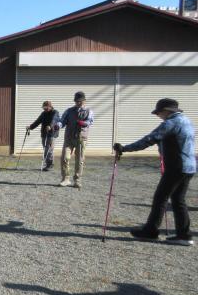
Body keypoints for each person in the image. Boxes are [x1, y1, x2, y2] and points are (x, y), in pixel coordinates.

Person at [114, 98, 195, 245]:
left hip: (176, 167)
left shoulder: (170, 123)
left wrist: (124, 148)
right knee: (178, 200)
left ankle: (150, 231)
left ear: (166, 111)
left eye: (159, 112)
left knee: (160, 198)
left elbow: (149, 139)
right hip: (189, 166)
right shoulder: (186, 121)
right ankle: (184, 235)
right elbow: (169, 141)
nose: (158, 115)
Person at [56, 91, 94, 188]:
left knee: (80, 159)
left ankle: (77, 180)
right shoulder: (69, 111)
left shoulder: (89, 111)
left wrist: (83, 123)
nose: (78, 103)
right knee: (65, 157)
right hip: (69, 138)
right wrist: (58, 125)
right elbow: (62, 121)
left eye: (80, 101)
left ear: (84, 101)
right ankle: (65, 179)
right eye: (77, 101)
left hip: (81, 139)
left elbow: (90, 121)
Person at [26, 100, 60, 171]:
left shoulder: (55, 112)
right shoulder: (43, 113)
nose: (45, 109)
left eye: (46, 107)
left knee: (49, 149)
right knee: (45, 148)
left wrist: (50, 126)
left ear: (50, 107)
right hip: (44, 133)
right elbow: (38, 121)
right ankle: (47, 163)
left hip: (52, 133)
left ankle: (50, 164)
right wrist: (30, 127)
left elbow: (54, 120)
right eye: (44, 107)